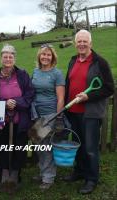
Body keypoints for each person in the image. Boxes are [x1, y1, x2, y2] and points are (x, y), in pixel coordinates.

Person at [63, 29, 114, 194]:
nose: (82, 44)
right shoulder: (72, 60)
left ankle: (92, 179)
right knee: (78, 144)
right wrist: (65, 106)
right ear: (75, 44)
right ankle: (79, 171)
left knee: (90, 147)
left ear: (90, 43)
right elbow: (68, 83)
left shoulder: (100, 63)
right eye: (79, 41)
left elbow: (109, 88)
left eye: (85, 41)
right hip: (73, 111)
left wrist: (88, 96)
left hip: (90, 113)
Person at [0, 44, 34, 193]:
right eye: (5, 56)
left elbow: (30, 94)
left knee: (19, 148)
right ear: (1, 58)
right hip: (2, 120)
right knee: (3, 147)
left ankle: (15, 176)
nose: (8, 59)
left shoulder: (22, 75)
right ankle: (4, 176)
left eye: (11, 56)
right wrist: (4, 104)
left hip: (20, 119)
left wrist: (16, 102)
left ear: (14, 58)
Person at [31, 44, 65, 190]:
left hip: (51, 115)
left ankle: (48, 178)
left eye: (48, 55)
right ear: (39, 56)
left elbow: (61, 98)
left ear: (53, 57)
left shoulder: (57, 74)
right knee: (38, 145)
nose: (45, 57)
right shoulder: (36, 72)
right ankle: (43, 171)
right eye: (43, 54)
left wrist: (58, 117)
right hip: (36, 115)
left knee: (46, 147)